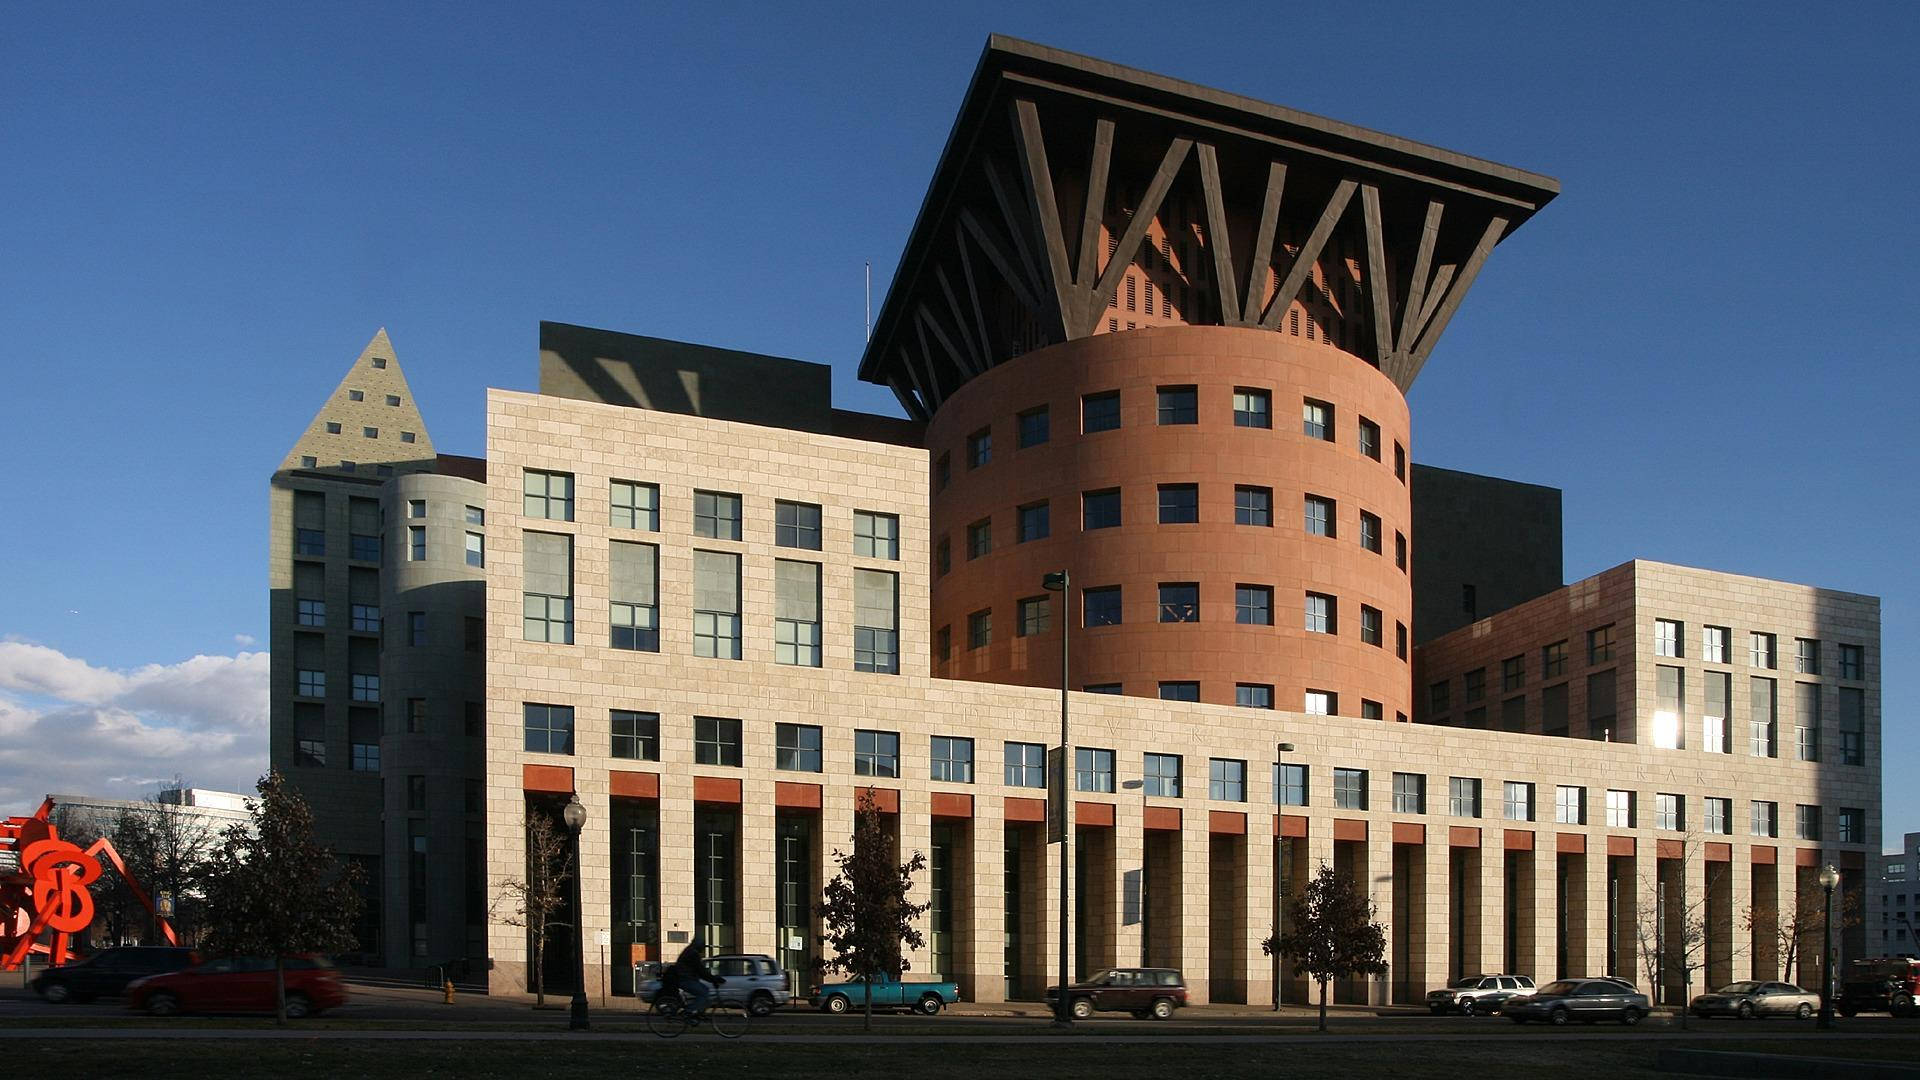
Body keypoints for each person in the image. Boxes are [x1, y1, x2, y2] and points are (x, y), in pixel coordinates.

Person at [663, 939, 724, 1019]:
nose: (703, 949)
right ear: (699, 946)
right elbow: (700, 971)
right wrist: (713, 979)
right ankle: (688, 1011)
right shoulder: (693, 954)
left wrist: (712, 979)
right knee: (703, 993)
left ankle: (698, 1013)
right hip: (685, 979)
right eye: (702, 946)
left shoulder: (690, 951)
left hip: (686, 978)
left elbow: (700, 971)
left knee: (705, 992)